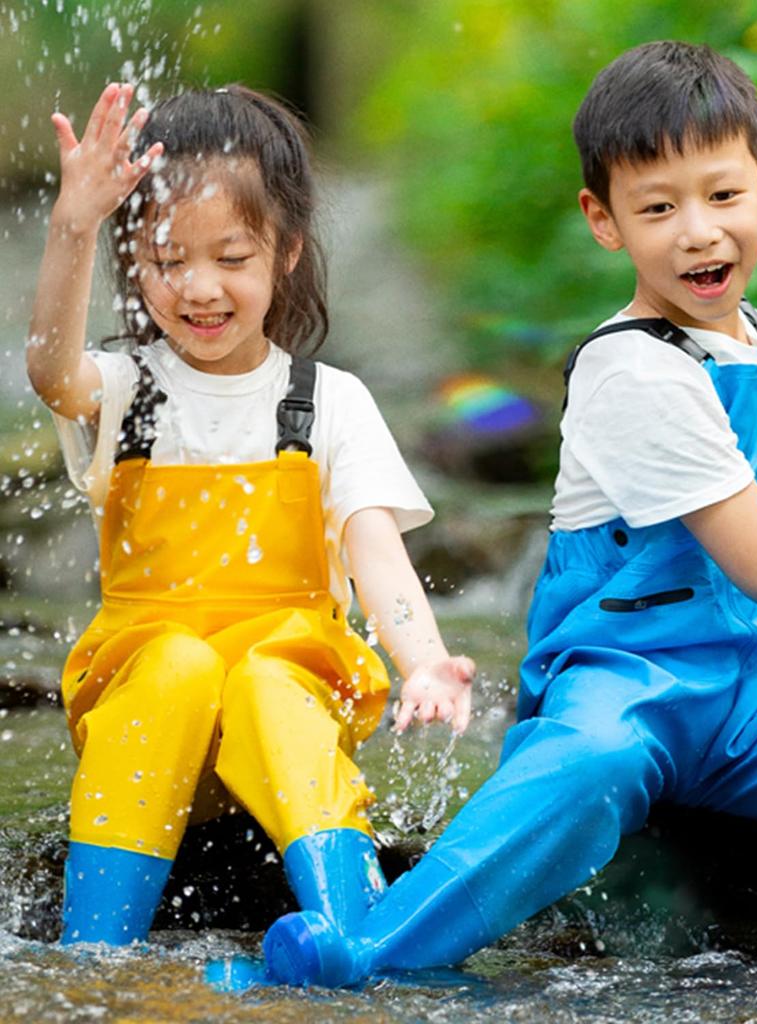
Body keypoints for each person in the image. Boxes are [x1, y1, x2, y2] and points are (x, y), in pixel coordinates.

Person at [256, 41, 757, 991]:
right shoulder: (631, 368)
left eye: (722, 196)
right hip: (628, 670)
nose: (699, 233)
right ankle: (377, 946)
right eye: (658, 208)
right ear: (603, 221)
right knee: (588, 762)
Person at [26, 82, 475, 948]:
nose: (200, 288)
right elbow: (52, 372)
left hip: (287, 702)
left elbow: (374, 549)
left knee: (267, 679)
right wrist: (72, 225)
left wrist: (422, 660)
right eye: (167, 260)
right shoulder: (128, 390)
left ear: (286, 252)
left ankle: (354, 931)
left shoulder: (326, 401)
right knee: (182, 665)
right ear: (133, 258)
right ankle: (95, 950)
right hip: (152, 702)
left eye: (232, 258)